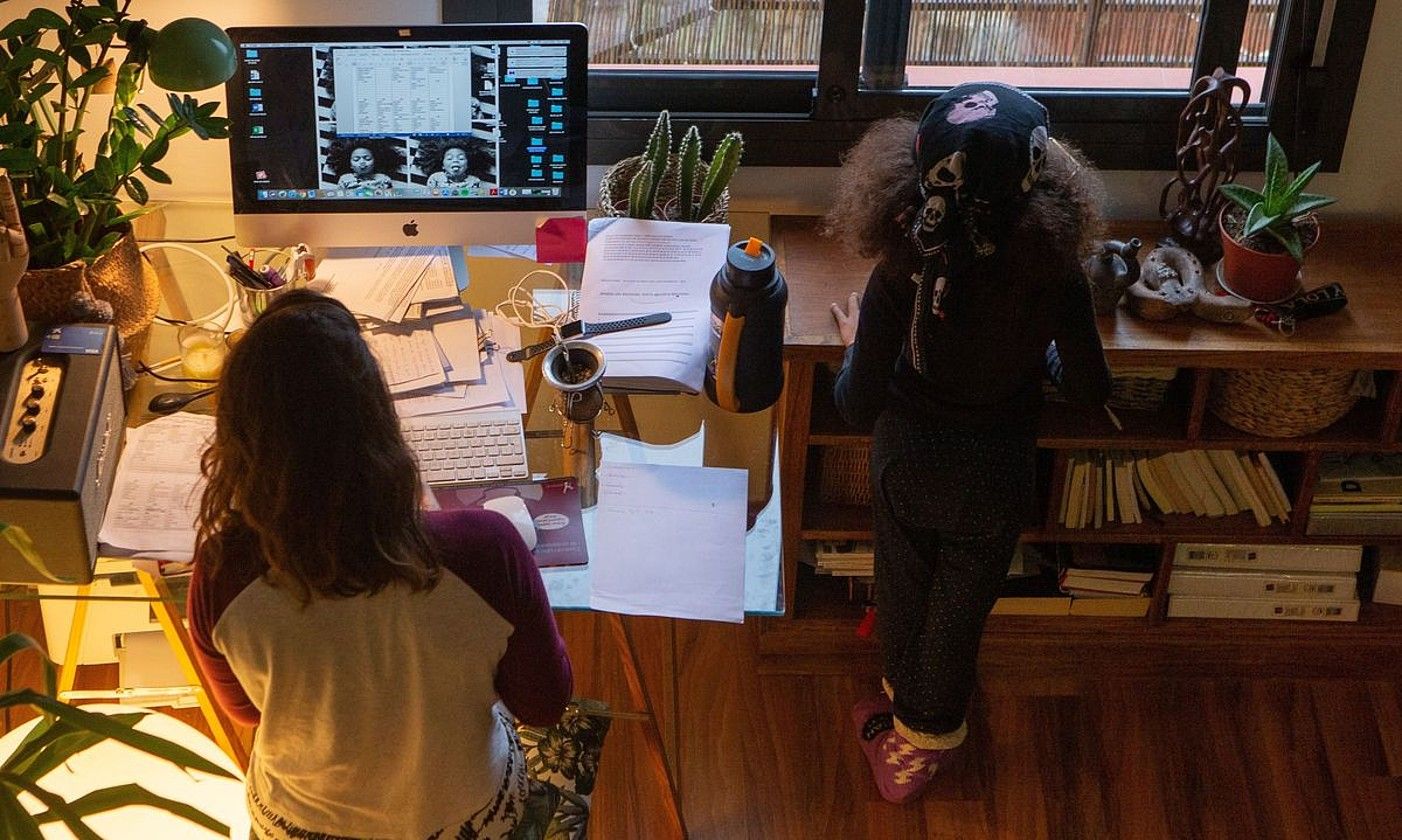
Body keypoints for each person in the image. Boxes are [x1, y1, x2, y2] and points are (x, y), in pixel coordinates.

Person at [187, 290, 572, 839]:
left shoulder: (222, 568)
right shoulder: (486, 549)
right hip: (467, 821)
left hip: (296, 825)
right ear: (379, 421)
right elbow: (543, 704)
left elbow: (248, 713)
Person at [826, 82, 1111, 804]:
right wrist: (1040, 358)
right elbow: (1089, 389)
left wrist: (858, 347)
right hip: (995, 472)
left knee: (905, 590)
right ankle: (922, 723)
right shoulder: (1057, 274)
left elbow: (857, 405)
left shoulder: (902, 268)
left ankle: (912, 747)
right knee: (958, 612)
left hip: (908, 463)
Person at [416, 136, 495, 191]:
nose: (455, 161)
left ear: (468, 164)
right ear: (442, 165)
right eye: (449, 158)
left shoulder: (474, 181)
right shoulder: (435, 178)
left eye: (461, 158)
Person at [327, 137, 399, 190]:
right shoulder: (345, 179)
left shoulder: (383, 179)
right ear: (350, 164)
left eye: (367, 158)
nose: (362, 162)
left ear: (375, 161)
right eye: (356, 159)